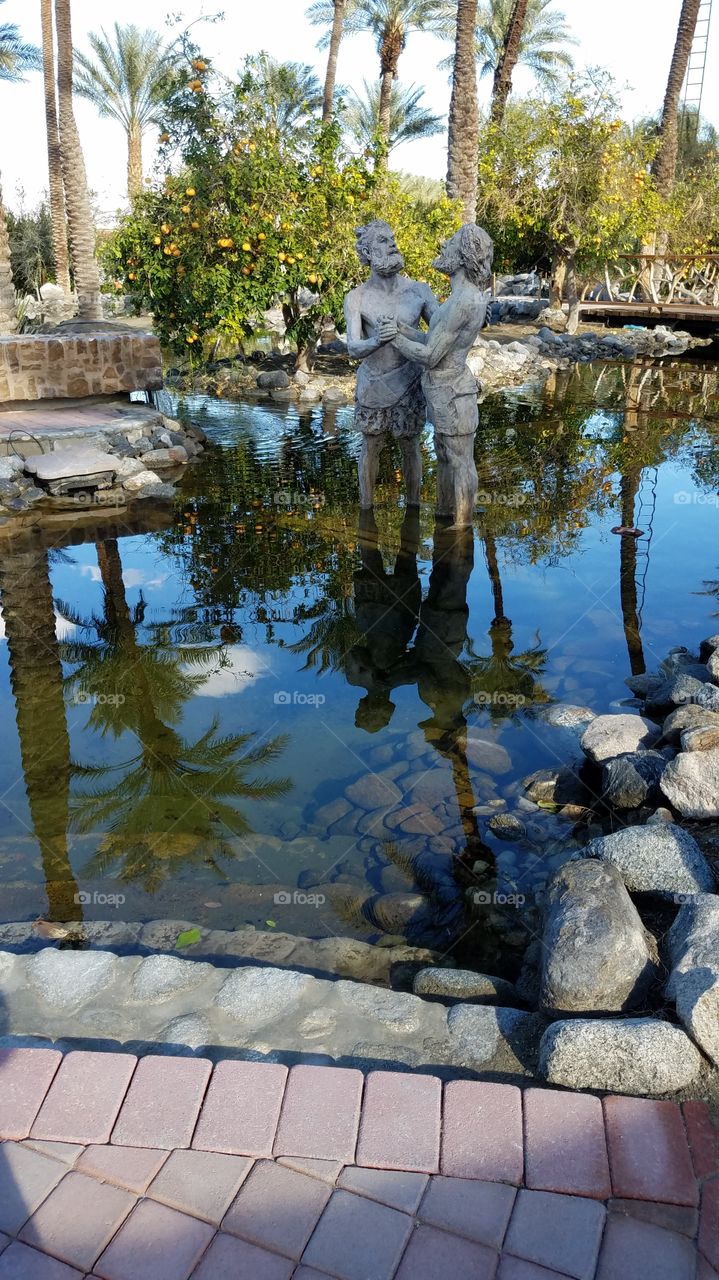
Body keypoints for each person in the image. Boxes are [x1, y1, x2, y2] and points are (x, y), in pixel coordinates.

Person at [380, 223, 494, 527]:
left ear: (463, 256)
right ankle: (446, 517)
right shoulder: (457, 298)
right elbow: (433, 341)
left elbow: (430, 357)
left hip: (455, 394)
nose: (444, 245)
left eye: (452, 243)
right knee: (445, 454)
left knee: (460, 461)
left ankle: (461, 529)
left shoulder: (463, 301)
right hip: (444, 393)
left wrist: (395, 339)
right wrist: (403, 330)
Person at [344, 220, 438, 509]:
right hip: (373, 383)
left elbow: (441, 332)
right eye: (384, 241)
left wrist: (473, 315)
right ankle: (365, 508)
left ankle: (413, 506)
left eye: (392, 239)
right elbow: (352, 346)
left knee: (410, 445)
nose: (393, 244)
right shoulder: (356, 297)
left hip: (409, 382)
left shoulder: (420, 291)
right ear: (368, 253)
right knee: (370, 447)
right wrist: (377, 342)